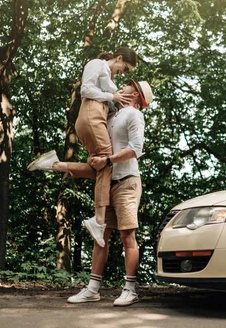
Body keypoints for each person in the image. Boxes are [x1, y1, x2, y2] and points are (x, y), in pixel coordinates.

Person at [32, 79, 153, 307]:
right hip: (108, 181)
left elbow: (136, 149)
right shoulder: (112, 115)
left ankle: (130, 289)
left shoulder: (134, 115)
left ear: (136, 95)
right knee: (101, 237)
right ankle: (93, 289)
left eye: (129, 85)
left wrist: (107, 159)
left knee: (128, 237)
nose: (124, 86)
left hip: (127, 182)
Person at [28, 48, 136, 248]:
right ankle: (98, 220)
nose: (124, 73)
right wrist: (113, 97)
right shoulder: (97, 64)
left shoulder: (108, 77)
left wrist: (117, 101)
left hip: (95, 118)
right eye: (125, 68)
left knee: (99, 168)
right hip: (91, 116)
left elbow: (111, 102)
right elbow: (85, 90)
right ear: (119, 58)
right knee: (106, 162)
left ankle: (54, 164)